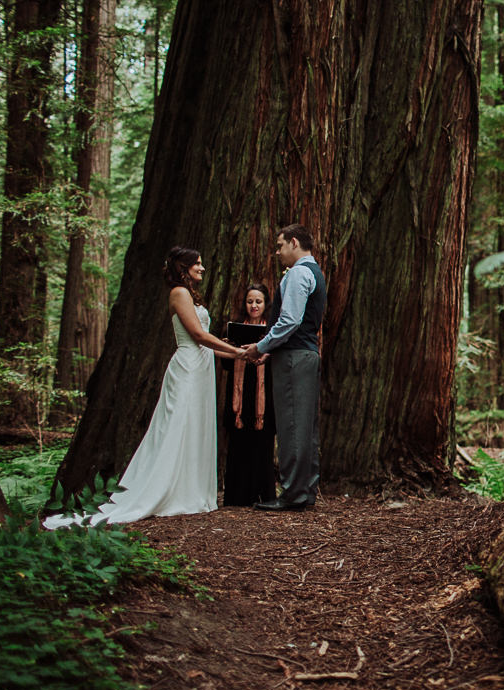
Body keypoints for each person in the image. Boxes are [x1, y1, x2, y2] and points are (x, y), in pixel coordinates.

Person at [45, 247, 244, 529]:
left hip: (202, 365)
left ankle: (191, 490)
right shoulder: (179, 293)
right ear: (183, 268)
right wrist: (236, 353)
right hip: (187, 367)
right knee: (178, 426)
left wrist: (239, 354)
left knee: (196, 427)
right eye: (197, 264)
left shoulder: (191, 294)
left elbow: (207, 344)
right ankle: (166, 490)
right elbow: (198, 335)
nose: (202, 268)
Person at [243, 224, 326, 512]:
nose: (277, 252)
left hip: (294, 358)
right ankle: (305, 491)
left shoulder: (299, 273)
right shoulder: (316, 272)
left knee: (292, 425)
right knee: (306, 427)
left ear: (294, 242)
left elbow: (289, 320)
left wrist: (261, 346)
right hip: (304, 354)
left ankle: (292, 494)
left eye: (280, 246)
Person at [221, 283, 277, 506]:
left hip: (264, 394)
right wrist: (228, 348)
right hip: (239, 395)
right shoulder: (233, 328)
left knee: (262, 444)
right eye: (250, 301)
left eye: (259, 301)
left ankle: (263, 495)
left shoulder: (273, 330)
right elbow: (226, 366)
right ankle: (237, 496)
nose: (254, 305)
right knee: (238, 444)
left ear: (266, 304)